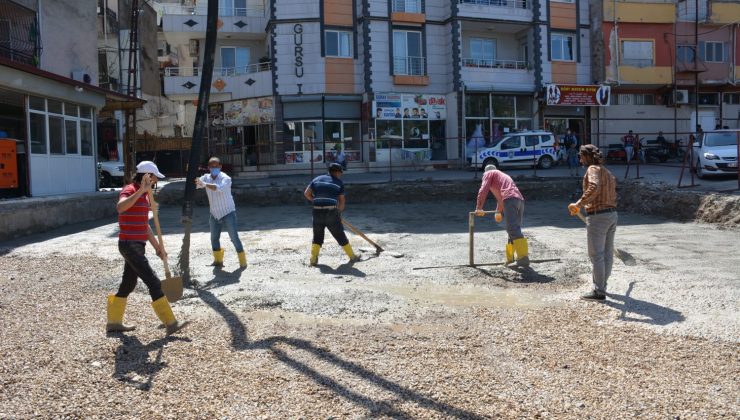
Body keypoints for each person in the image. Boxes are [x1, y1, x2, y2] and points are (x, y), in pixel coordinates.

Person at [107, 161, 187, 335]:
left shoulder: (145, 196)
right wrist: (140, 191)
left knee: (128, 283)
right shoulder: (130, 189)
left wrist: (158, 247)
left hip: (137, 245)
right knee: (153, 282)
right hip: (129, 244)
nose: (156, 180)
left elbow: (145, 225)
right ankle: (170, 323)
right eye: (154, 177)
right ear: (146, 176)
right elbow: (121, 208)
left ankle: (113, 322)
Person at [568, 145, 618, 301]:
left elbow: (594, 187)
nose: (580, 159)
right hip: (612, 214)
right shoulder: (607, 172)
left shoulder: (593, 169)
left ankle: (599, 291)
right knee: (607, 253)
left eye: (581, 156)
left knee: (597, 255)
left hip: (598, 217)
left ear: (587, 156)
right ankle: (603, 285)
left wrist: (579, 204)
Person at [196, 157, 247, 268]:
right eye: (212, 166)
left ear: (220, 167)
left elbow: (218, 188)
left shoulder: (226, 178)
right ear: (208, 167)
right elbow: (197, 184)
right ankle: (218, 260)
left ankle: (242, 261)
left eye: (216, 166)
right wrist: (197, 180)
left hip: (228, 211)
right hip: (214, 213)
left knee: (234, 237)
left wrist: (204, 184)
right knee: (214, 238)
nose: (214, 168)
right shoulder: (205, 177)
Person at [304, 163, 359, 266]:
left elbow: (306, 193)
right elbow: (342, 201)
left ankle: (313, 259)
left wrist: (315, 201)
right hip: (331, 212)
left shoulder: (316, 179)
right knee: (339, 234)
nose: (341, 175)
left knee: (317, 236)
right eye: (340, 172)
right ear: (336, 172)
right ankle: (352, 256)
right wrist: (338, 213)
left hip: (316, 212)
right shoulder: (338, 183)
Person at [475, 164, 529, 266]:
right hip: (519, 201)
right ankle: (510, 259)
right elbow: (501, 197)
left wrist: (479, 207)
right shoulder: (502, 176)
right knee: (513, 229)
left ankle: (523, 258)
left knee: (512, 229)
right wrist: (498, 211)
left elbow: (483, 190)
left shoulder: (489, 173)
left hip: (510, 200)